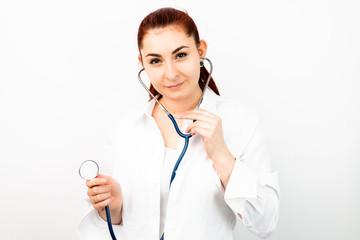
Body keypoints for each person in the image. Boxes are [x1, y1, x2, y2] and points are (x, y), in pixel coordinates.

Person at [77, 7, 279, 240]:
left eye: (180, 55)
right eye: (155, 61)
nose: (171, 74)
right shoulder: (124, 129)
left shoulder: (241, 122)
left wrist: (222, 155)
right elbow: (116, 223)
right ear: (142, 63)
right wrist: (113, 208)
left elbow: (265, 224)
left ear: (200, 51)